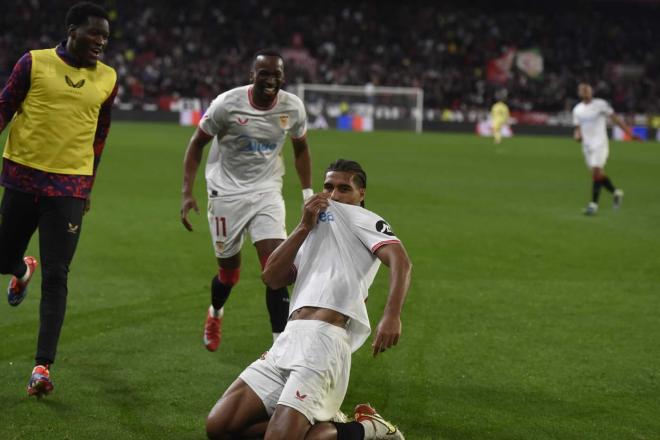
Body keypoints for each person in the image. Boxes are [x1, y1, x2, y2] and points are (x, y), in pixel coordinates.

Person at [205, 159, 412, 440]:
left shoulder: (365, 219)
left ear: (360, 194)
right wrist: (303, 225)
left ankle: (368, 429)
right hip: (289, 339)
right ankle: (315, 423)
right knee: (220, 427)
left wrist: (391, 315)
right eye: (328, 187)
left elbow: (401, 262)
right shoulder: (314, 226)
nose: (334, 195)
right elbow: (272, 278)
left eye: (344, 188)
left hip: (323, 343)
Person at [0, 2, 117, 397]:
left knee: (58, 276)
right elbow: (4, 106)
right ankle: (20, 269)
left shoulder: (108, 78)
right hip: (21, 177)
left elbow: (100, 135)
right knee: (2, 258)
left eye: (105, 37)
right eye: (94, 34)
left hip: (68, 188)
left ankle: (41, 367)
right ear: (71, 29)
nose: (101, 42)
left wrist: (89, 186)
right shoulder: (33, 63)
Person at [180, 49, 312, 352]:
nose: (270, 79)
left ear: (283, 77)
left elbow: (301, 148)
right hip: (226, 193)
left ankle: (280, 347)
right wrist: (187, 192)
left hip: (267, 191)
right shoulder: (227, 104)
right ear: (252, 75)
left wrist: (307, 193)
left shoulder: (293, 107)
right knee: (229, 274)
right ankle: (215, 313)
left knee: (276, 269)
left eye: (276, 73)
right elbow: (196, 144)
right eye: (263, 73)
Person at [572, 82, 636, 215]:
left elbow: (615, 119)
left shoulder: (601, 104)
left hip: (600, 143)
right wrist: (577, 135)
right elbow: (578, 128)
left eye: (587, 89)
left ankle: (593, 205)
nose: (585, 92)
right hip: (587, 146)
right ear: (579, 93)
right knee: (598, 175)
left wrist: (628, 132)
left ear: (591, 91)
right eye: (582, 90)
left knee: (596, 171)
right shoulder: (577, 109)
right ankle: (616, 193)